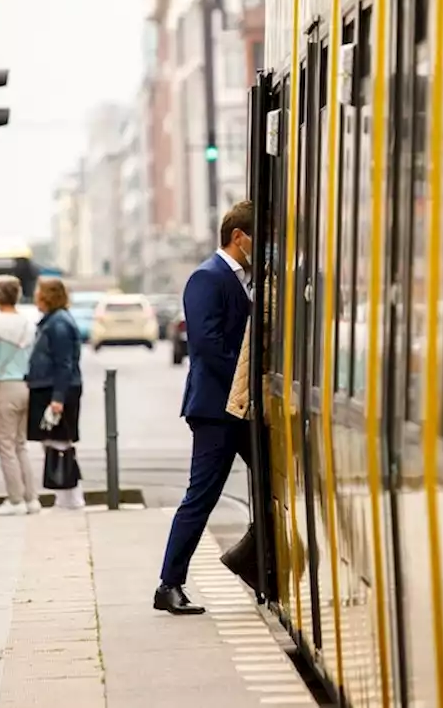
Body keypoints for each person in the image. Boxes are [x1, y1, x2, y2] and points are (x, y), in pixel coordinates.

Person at [155, 201, 254, 615]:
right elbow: (208, 346)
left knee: (279, 485)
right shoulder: (207, 278)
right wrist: (250, 379)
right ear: (238, 237)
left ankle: (253, 560)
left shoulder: (241, 279)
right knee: (201, 496)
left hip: (241, 407)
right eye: (259, 238)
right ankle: (169, 584)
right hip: (217, 410)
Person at [0, 275, 40, 517]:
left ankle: (15, 500)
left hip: (5, 387)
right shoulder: (26, 323)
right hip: (25, 386)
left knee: (6, 446)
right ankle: (31, 498)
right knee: (20, 445)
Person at [26, 277, 85, 510]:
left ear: (48, 296)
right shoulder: (53, 321)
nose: (36, 298)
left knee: (59, 442)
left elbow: (64, 363)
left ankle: (69, 496)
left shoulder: (58, 324)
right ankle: (68, 494)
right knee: (57, 441)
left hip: (56, 388)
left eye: (39, 294)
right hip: (50, 387)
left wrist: (58, 398)